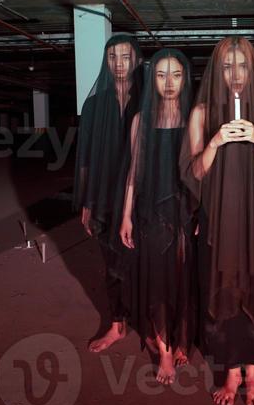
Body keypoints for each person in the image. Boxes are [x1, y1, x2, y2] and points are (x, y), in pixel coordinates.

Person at [180, 37, 254, 405]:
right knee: (223, 286)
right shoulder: (202, 113)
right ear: (217, 70)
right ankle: (230, 371)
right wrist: (213, 143)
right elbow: (193, 172)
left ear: (253, 68)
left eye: (243, 65)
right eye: (228, 66)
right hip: (220, 216)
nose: (236, 74)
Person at [118, 48, 196, 385]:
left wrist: (202, 213)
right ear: (152, 79)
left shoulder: (194, 116)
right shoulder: (141, 120)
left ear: (184, 78)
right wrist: (126, 216)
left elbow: (202, 171)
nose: (168, 82)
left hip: (185, 212)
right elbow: (133, 173)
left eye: (175, 74)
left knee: (184, 278)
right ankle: (164, 351)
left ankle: (181, 338)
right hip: (150, 211)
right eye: (161, 74)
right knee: (157, 281)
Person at [73, 33, 142, 352]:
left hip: (140, 194)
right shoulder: (93, 104)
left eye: (125, 56)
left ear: (137, 60)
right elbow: (85, 157)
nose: (118, 63)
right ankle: (117, 325)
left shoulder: (148, 99)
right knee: (112, 262)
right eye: (112, 56)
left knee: (147, 263)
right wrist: (87, 202)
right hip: (103, 194)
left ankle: (154, 327)